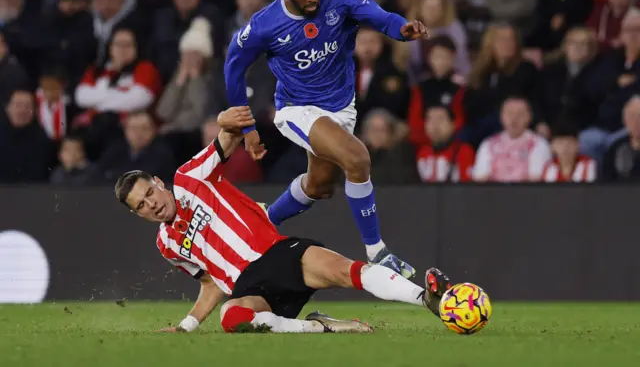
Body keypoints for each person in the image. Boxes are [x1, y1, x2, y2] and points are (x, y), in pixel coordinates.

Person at [113, 106, 452, 334]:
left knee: (348, 271)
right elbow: (210, 282)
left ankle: (427, 298)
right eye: (141, 206)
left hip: (277, 254)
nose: (151, 205)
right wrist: (186, 326)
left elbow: (226, 140)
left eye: (149, 194)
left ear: (158, 182)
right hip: (248, 288)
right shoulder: (166, 244)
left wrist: (224, 120)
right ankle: (317, 327)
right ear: (136, 214)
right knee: (232, 319)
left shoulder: (189, 177)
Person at [223, 0, 428, 278]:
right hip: (297, 109)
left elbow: (382, 18)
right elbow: (234, 66)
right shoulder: (265, 24)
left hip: (341, 107)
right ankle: (378, 253)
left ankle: (262, 222)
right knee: (357, 159)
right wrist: (246, 127)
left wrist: (401, 29)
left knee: (319, 186)